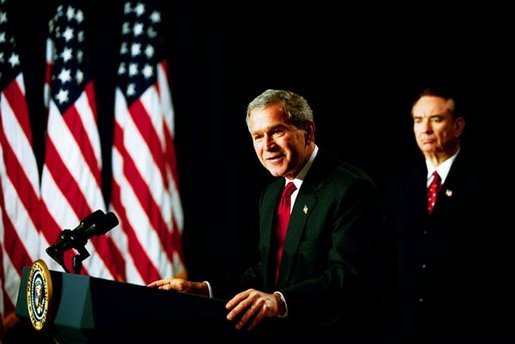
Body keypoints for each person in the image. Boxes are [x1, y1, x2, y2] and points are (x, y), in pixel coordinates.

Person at [149, 89, 386, 342]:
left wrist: (279, 301)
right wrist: (203, 290)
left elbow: (348, 275)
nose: (267, 146)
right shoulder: (272, 194)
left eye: (277, 131)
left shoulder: (350, 188)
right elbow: (267, 274)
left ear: (308, 132)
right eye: (258, 136)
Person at [384, 87, 511, 343]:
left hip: (465, 326)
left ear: (458, 126)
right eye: (418, 120)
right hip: (405, 327)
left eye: (436, 119)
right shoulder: (398, 184)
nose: (425, 129)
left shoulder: (487, 185)